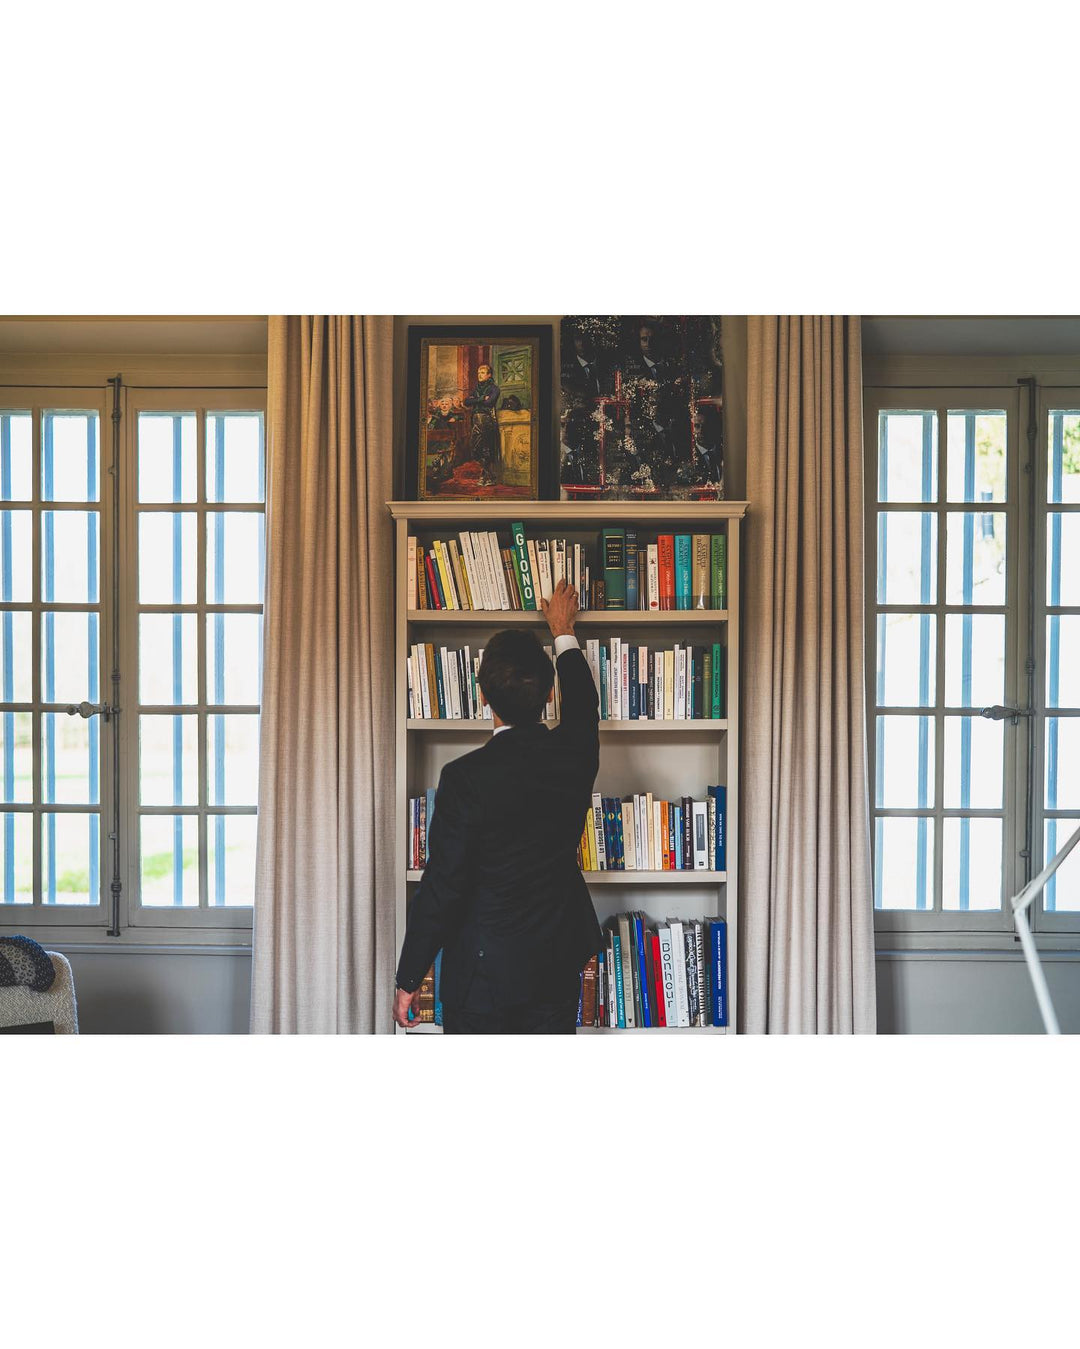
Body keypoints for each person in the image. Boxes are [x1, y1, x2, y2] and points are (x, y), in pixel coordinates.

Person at [393, 580, 602, 1034]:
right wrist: (562, 631)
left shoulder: (464, 777)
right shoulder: (574, 756)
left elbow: (442, 887)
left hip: (482, 981)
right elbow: (585, 706)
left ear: (482, 696)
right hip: (554, 972)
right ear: (550, 694)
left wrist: (410, 977)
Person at [464, 362, 501, 487]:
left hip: (486, 420)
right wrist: (480, 399)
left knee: (486, 449)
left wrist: (476, 400)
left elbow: (490, 402)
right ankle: (490, 475)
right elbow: (466, 401)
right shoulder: (477, 389)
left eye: (483, 373)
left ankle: (484, 476)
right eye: (478, 373)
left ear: (489, 375)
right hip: (475, 420)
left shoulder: (494, 388)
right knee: (475, 449)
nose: (479, 375)